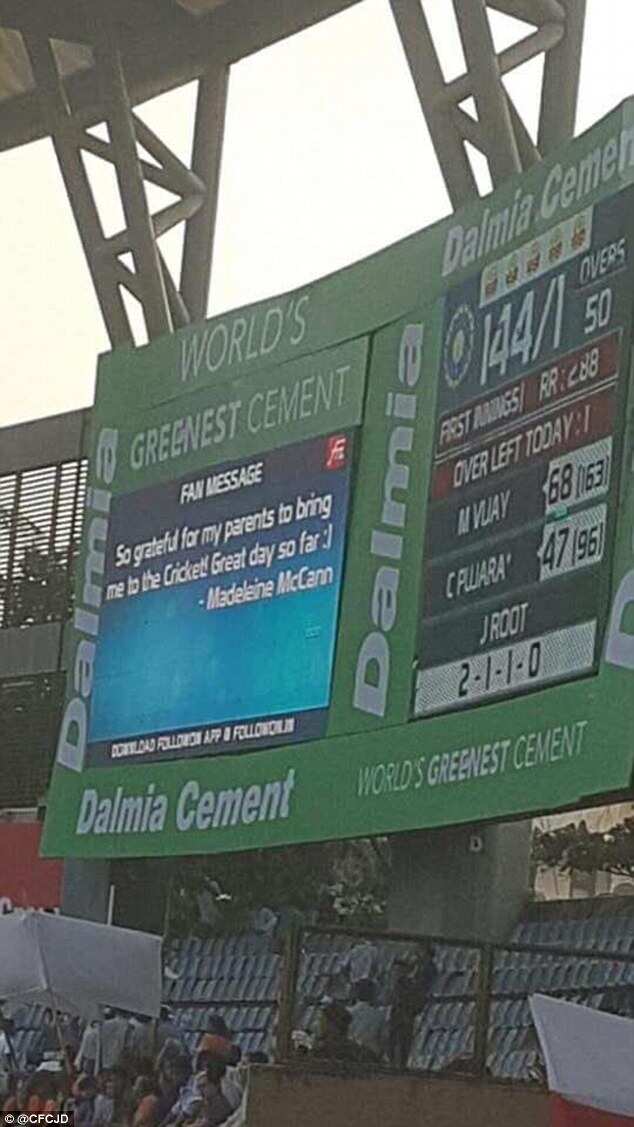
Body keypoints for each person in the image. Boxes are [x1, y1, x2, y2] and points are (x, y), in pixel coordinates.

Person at [388, 945, 436, 1071]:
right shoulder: (404, 980)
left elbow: (418, 992)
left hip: (406, 1012)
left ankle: (400, 1064)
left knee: (403, 1039)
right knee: (395, 1039)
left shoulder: (421, 972)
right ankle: (395, 1063)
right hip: (401, 1013)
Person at [348, 980, 385, 1062]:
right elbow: (383, 1040)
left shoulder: (347, 1013)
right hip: (370, 1057)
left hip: (349, 1054)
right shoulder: (379, 1016)